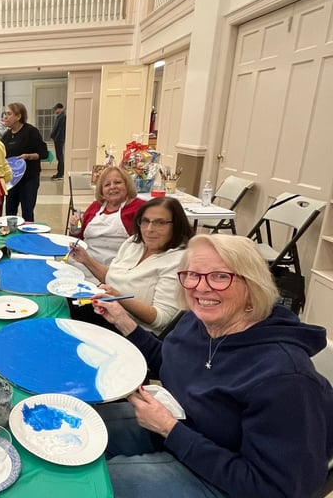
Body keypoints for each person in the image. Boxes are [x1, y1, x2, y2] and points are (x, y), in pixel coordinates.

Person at [92, 234, 333, 497]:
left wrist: (169, 429)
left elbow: (276, 489)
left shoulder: (285, 378)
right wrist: (123, 321)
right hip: (186, 431)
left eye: (220, 276)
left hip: (231, 480)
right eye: (193, 274)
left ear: (252, 285)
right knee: (83, 432)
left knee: (92, 486)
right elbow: (171, 363)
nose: (201, 287)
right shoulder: (199, 321)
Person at [68, 197, 194, 335]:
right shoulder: (134, 243)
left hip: (134, 331)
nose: (149, 229)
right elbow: (112, 277)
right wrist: (85, 259)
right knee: (60, 300)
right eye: (145, 221)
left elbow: (160, 320)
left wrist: (117, 297)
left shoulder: (178, 261)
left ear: (176, 225)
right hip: (108, 313)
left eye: (160, 223)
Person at [69, 166, 146, 270]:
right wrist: (75, 226)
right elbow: (78, 236)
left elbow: (146, 245)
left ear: (127, 185)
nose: (112, 187)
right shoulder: (95, 206)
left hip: (117, 268)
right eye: (107, 184)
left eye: (117, 182)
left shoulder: (139, 208)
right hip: (84, 262)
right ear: (101, 190)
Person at [0, 102, 48, 222]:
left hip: (29, 178)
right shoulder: (6, 136)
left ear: (18, 116)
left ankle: (28, 232)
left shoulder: (31, 132)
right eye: (5, 114)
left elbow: (44, 153)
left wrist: (28, 156)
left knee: (27, 211)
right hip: (12, 180)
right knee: (10, 211)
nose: (5, 116)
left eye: (9, 114)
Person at [50, 102, 66, 181]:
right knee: (59, 157)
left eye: (56, 109)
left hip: (59, 139)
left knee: (60, 157)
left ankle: (60, 174)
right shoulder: (59, 117)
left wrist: (56, 138)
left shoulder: (63, 117)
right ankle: (59, 173)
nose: (55, 111)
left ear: (60, 108)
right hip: (57, 139)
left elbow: (60, 130)